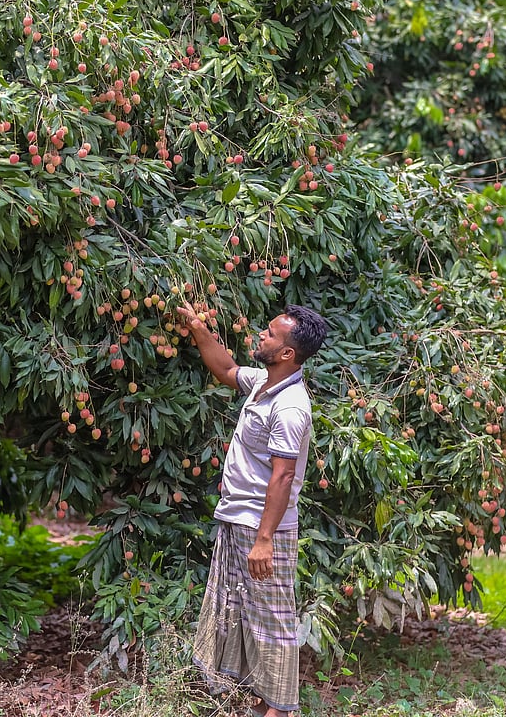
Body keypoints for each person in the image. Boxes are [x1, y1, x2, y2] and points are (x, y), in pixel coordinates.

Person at [175, 302, 329, 717]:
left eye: (271, 335)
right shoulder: (263, 382)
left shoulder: (291, 406)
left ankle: (280, 710)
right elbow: (225, 369)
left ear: (287, 354)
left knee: (272, 620)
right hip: (238, 517)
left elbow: (282, 478)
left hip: (265, 528)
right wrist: (197, 327)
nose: (261, 336)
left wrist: (264, 541)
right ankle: (262, 699)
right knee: (243, 611)